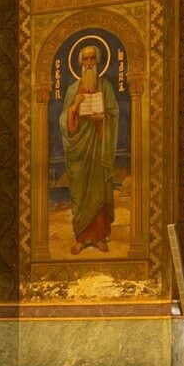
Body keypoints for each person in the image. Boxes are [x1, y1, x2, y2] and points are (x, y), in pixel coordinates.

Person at [59, 40, 120, 250]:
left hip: (99, 147)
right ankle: (81, 238)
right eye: (85, 58)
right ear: (79, 63)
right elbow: (64, 123)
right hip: (80, 152)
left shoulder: (106, 88)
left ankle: (100, 237)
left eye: (93, 58)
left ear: (99, 61)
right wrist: (74, 107)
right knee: (80, 192)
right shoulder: (72, 90)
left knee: (99, 189)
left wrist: (103, 120)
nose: (89, 62)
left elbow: (114, 114)